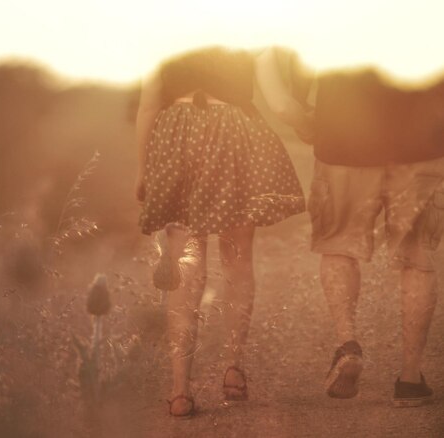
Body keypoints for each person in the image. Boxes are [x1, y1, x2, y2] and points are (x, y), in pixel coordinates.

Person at [257, 46, 444, 407]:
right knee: (416, 256)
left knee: (339, 246)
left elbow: (293, 76)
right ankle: (409, 378)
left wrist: (303, 116)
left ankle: (348, 343)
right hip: (422, 143)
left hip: (343, 140)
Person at [135, 46, 309, 417]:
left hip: (177, 138)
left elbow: (148, 106)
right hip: (235, 135)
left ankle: (180, 390)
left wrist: (144, 171)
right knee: (237, 259)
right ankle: (234, 369)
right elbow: (277, 100)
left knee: (185, 266)